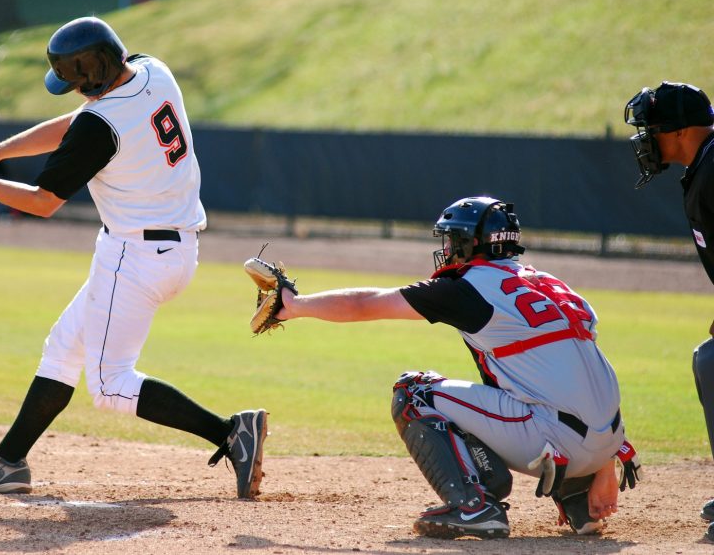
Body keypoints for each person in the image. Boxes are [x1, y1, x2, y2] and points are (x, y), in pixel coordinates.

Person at [0, 16, 268, 500]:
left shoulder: (99, 123)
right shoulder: (153, 70)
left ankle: (231, 433)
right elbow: (78, 122)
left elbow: (44, 201)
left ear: (91, 74)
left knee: (110, 385)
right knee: (64, 347)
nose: (70, 90)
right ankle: (7, 462)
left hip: (135, 255)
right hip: (172, 249)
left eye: (72, 80)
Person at [258, 196, 638, 539]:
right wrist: (603, 460)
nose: (447, 248)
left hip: (558, 436)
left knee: (414, 392)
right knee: (523, 393)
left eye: (452, 239)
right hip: (608, 436)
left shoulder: (470, 287)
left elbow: (365, 303)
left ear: (470, 243)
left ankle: (474, 508)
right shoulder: (550, 284)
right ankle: (577, 499)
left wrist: (295, 304)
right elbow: (584, 374)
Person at [624, 81, 714, 541]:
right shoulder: (706, 165)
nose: (645, 139)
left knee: (712, 362)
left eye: (652, 129)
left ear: (679, 131)